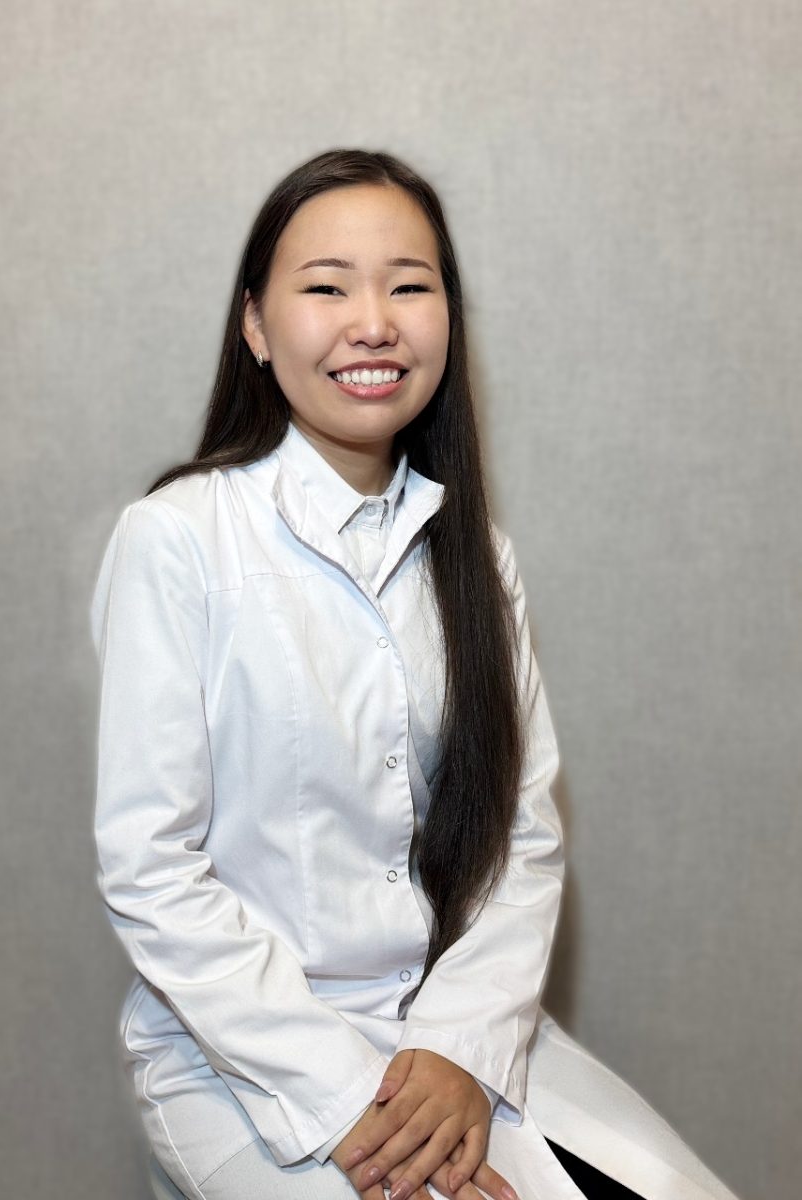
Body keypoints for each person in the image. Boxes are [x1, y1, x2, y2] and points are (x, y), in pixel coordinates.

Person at [90, 149, 740, 1200]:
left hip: (455, 1037)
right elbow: (151, 868)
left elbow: (521, 835)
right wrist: (351, 1095)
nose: (374, 323)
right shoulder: (179, 538)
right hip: (245, 1061)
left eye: (409, 285)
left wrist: (455, 1050)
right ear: (255, 324)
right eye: (326, 287)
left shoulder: (477, 555)